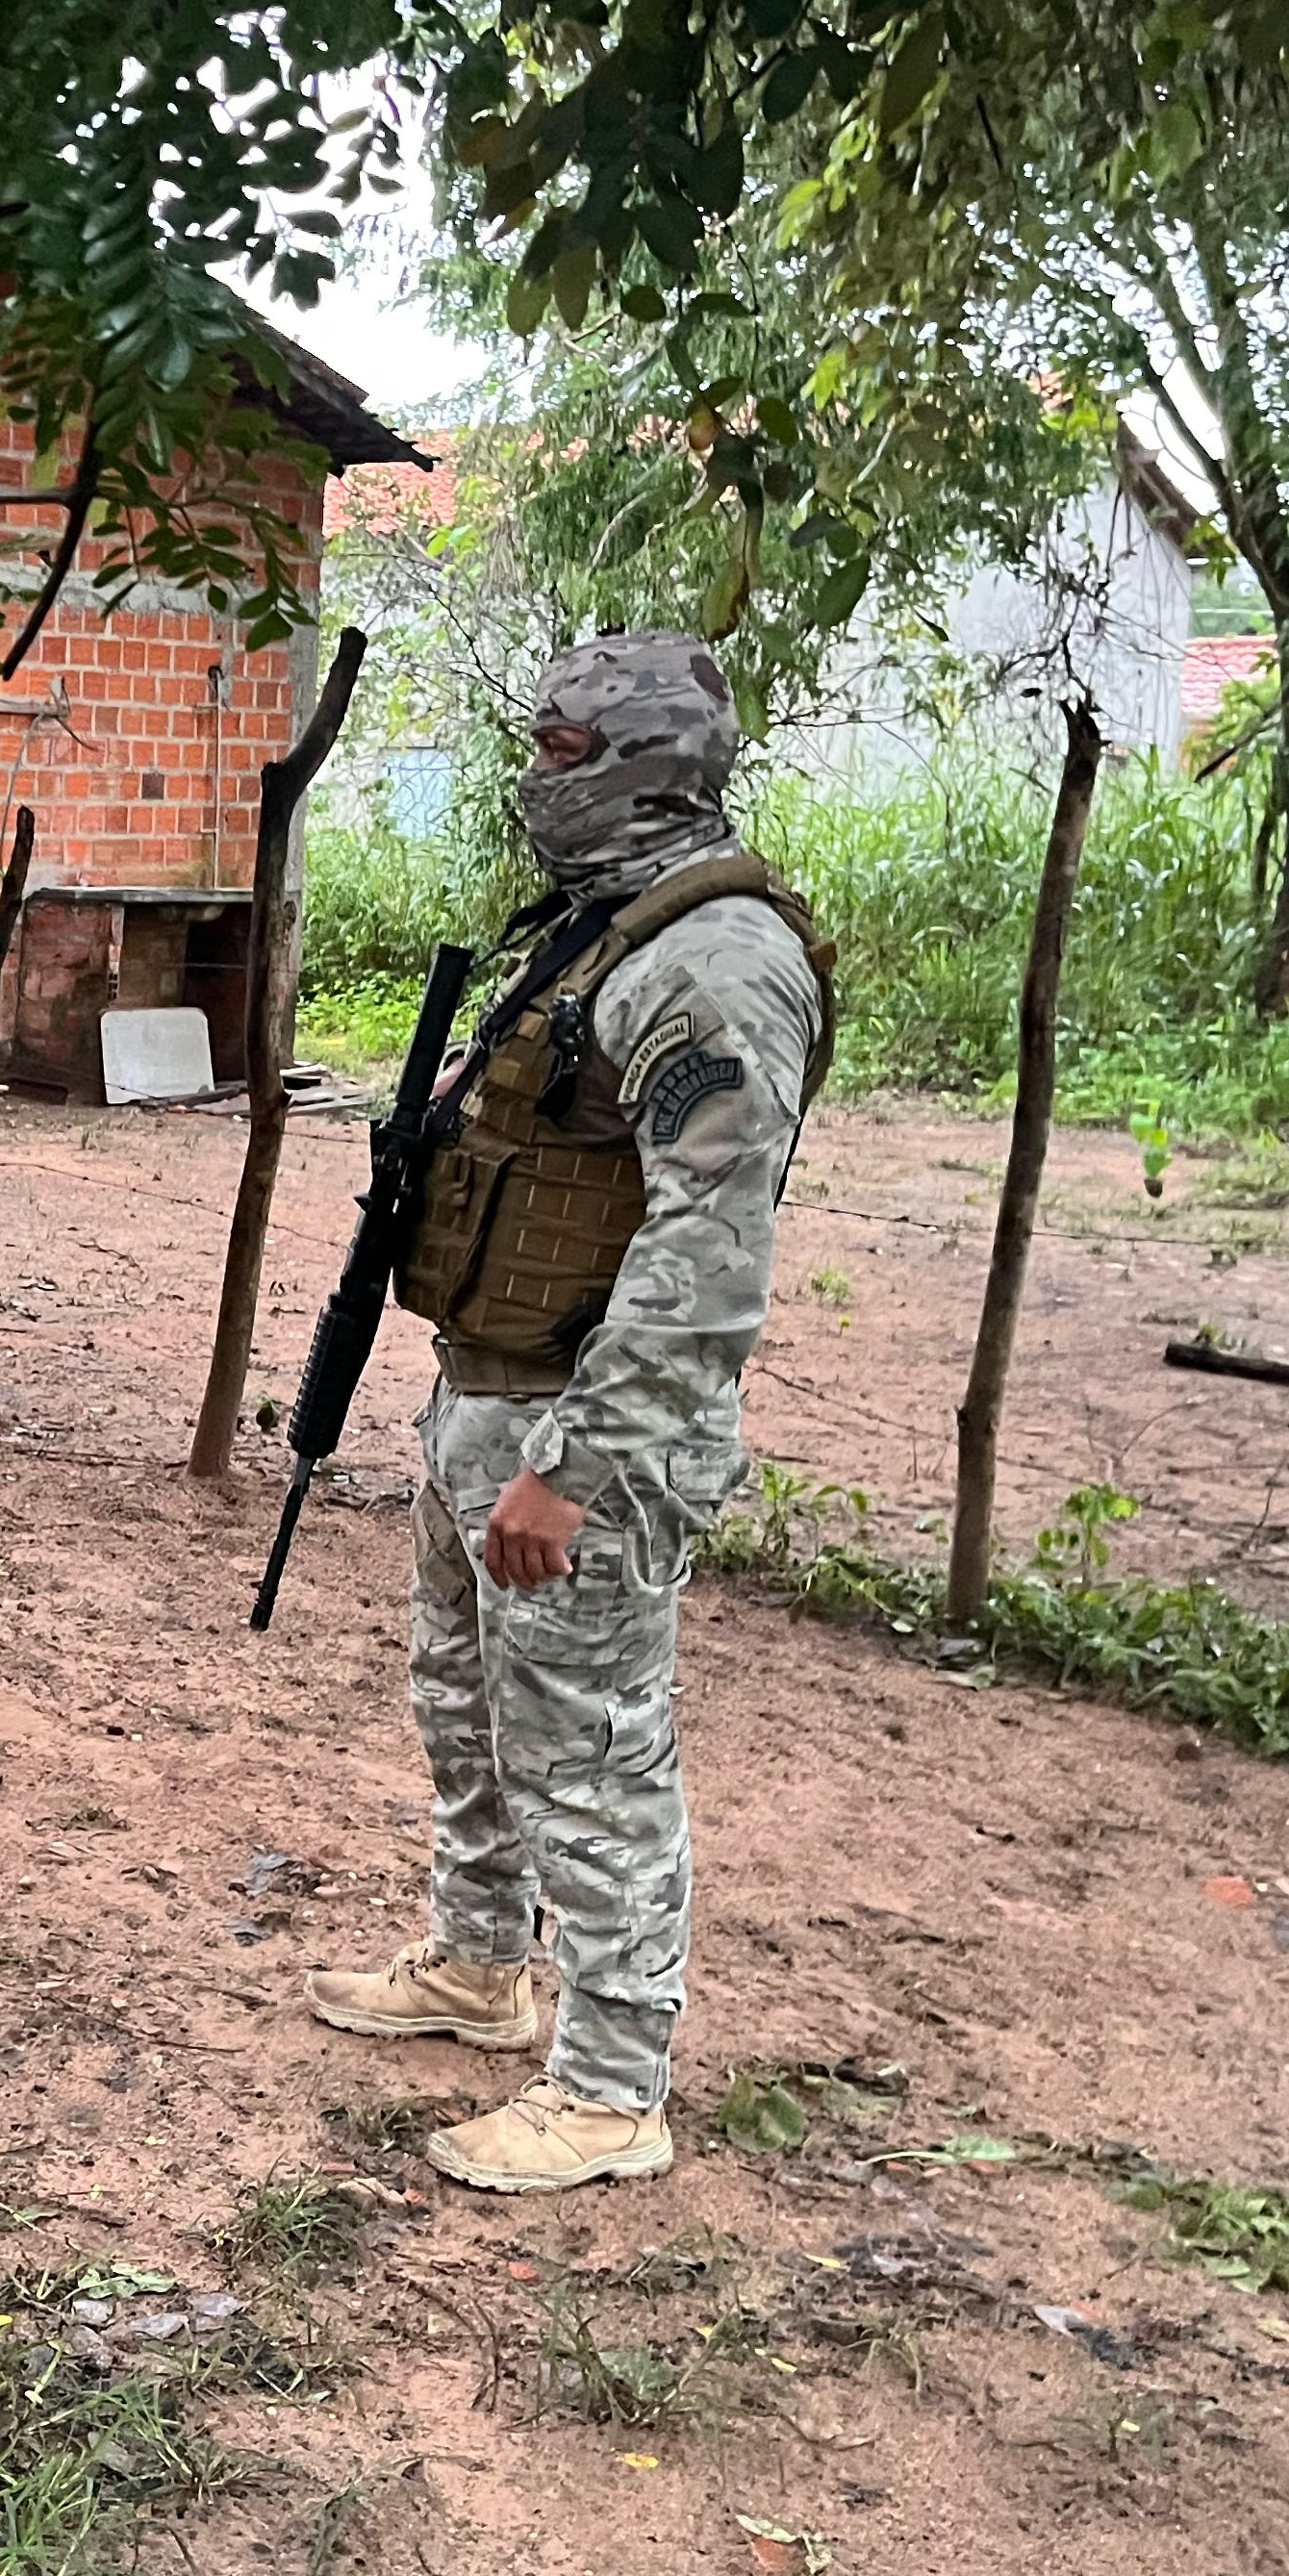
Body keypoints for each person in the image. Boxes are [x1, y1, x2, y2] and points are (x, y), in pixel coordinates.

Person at [304, 631, 833, 2194]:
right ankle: (480, 1964)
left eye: (562, 750)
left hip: (582, 1435)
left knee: (592, 1749)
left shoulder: (714, 960)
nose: (537, 780)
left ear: (640, 764)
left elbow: (705, 1251)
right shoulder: (598, 933)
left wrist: (580, 1471)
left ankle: (612, 2082)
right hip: (495, 1393)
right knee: (466, 1704)